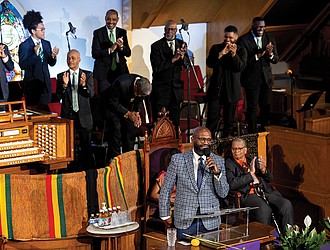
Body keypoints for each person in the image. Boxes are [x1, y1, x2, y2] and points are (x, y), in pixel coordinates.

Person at [159, 126, 229, 241]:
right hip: (185, 219)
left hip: (210, 220)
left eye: (208, 140)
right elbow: (166, 188)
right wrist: (165, 215)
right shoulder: (178, 159)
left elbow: (223, 193)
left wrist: (217, 173)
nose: (206, 143)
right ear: (192, 139)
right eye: (202, 139)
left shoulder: (219, 161)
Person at [225, 138, 293, 233]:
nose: (236, 151)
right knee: (264, 209)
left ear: (245, 150)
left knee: (285, 204)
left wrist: (263, 170)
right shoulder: (229, 163)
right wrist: (250, 174)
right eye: (234, 149)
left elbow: (269, 179)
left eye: (239, 149)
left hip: (264, 191)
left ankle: (289, 238)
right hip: (248, 194)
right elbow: (232, 184)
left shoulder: (251, 160)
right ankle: (266, 241)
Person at [237, 17, 279, 134]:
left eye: (263, 27)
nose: (261, 29)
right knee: (252, 108)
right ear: (253, 26)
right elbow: (242, 62)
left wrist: (270, 54)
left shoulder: (269, 38)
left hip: (266, 79)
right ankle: (252, 134)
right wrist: (257, 56)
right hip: (251, 80)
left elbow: (276, 59)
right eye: (259, 27)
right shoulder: (243, 40)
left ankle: (265, 133)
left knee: (266, 107)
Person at [206, 25, 247, 138]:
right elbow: (209, 63)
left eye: (230, 38)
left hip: (232, 91)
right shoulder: (216, 48)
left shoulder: (241, 50)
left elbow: (241, 67)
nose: (228, 40)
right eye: (226, 37)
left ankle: (226, 148)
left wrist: (234, 55)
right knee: (211, 121)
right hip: (216, 90)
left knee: (229, 122)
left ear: (236, 37)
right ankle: (209, 146)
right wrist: (220, 54)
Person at [56, 49, 95, 171]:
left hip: (83, 115)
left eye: (73, 58)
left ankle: (87, 171)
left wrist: (83, 85)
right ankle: (71, 170)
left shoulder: (87, 75)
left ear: (79, 60)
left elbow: (91, 94)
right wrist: (64, 85)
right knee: (69, 146)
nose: (70, 60)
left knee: (86, 146)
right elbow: (58, 96)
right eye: (68, 58)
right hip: (69, 115)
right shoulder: (61, 76)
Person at [103, 74, 152, 162]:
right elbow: (112, 102)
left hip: (127, 107)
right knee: (116, 129)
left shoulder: (143, 86)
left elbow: (139, 100)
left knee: (131, 129)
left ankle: (128, 158)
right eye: (139, 93)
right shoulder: (121, 83)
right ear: (136, 86)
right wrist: (128, 113)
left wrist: (136, 114)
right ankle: (115, 160)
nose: (140, 96)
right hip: (111, 107)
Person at [19, 10, 59, 110]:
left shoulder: (46, 44)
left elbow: (51, 63)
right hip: (32, 86)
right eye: (41, 29)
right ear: (33, 31)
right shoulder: (25, 46)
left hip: (45, 84)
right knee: (35, 113)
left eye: (44, 29)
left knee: (46, 111)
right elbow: (23, 65)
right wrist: (35, 55)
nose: (43, 31)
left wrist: (53, 57)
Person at [150, 20, 186, 128]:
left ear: (176, 30)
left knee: (175, 123)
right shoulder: (156, 46)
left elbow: (186, 64)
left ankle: (175, 143)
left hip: (176, 90)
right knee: (160, 123)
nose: (170, 31)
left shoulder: (181, 43)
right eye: (168, 29)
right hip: (161, 90)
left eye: (172, 29)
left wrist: (183, 57)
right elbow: (157, 68)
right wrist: (173, 59)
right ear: (164, 30)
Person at [92, 9, 131, 95]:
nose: (111, 22)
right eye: (108, 19)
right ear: (105, 18)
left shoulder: (122, 32)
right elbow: (95, 53)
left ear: (117, 20)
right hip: (104, 74)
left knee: (121, 97)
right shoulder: (98, 33)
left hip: (120, 71)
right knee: (105, 99)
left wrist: (121, 47)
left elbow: (128, 53)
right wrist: (110, 50)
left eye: (114, 19)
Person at [0, 43, 14, 111]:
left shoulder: (3, 47)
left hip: (1, 92)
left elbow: (10, 67)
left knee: (3, 117)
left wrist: (4, 57)